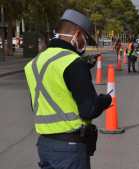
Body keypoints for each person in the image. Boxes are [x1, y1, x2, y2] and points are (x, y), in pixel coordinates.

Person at [24, 9, 112, 169]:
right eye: (85, 38)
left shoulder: (33, 64)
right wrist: (105, 100)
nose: (84, 42)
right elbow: (89, 110)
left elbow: (39, 103)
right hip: (70, 149)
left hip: (44, 146)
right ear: (77, 34)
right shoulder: (73, 62)